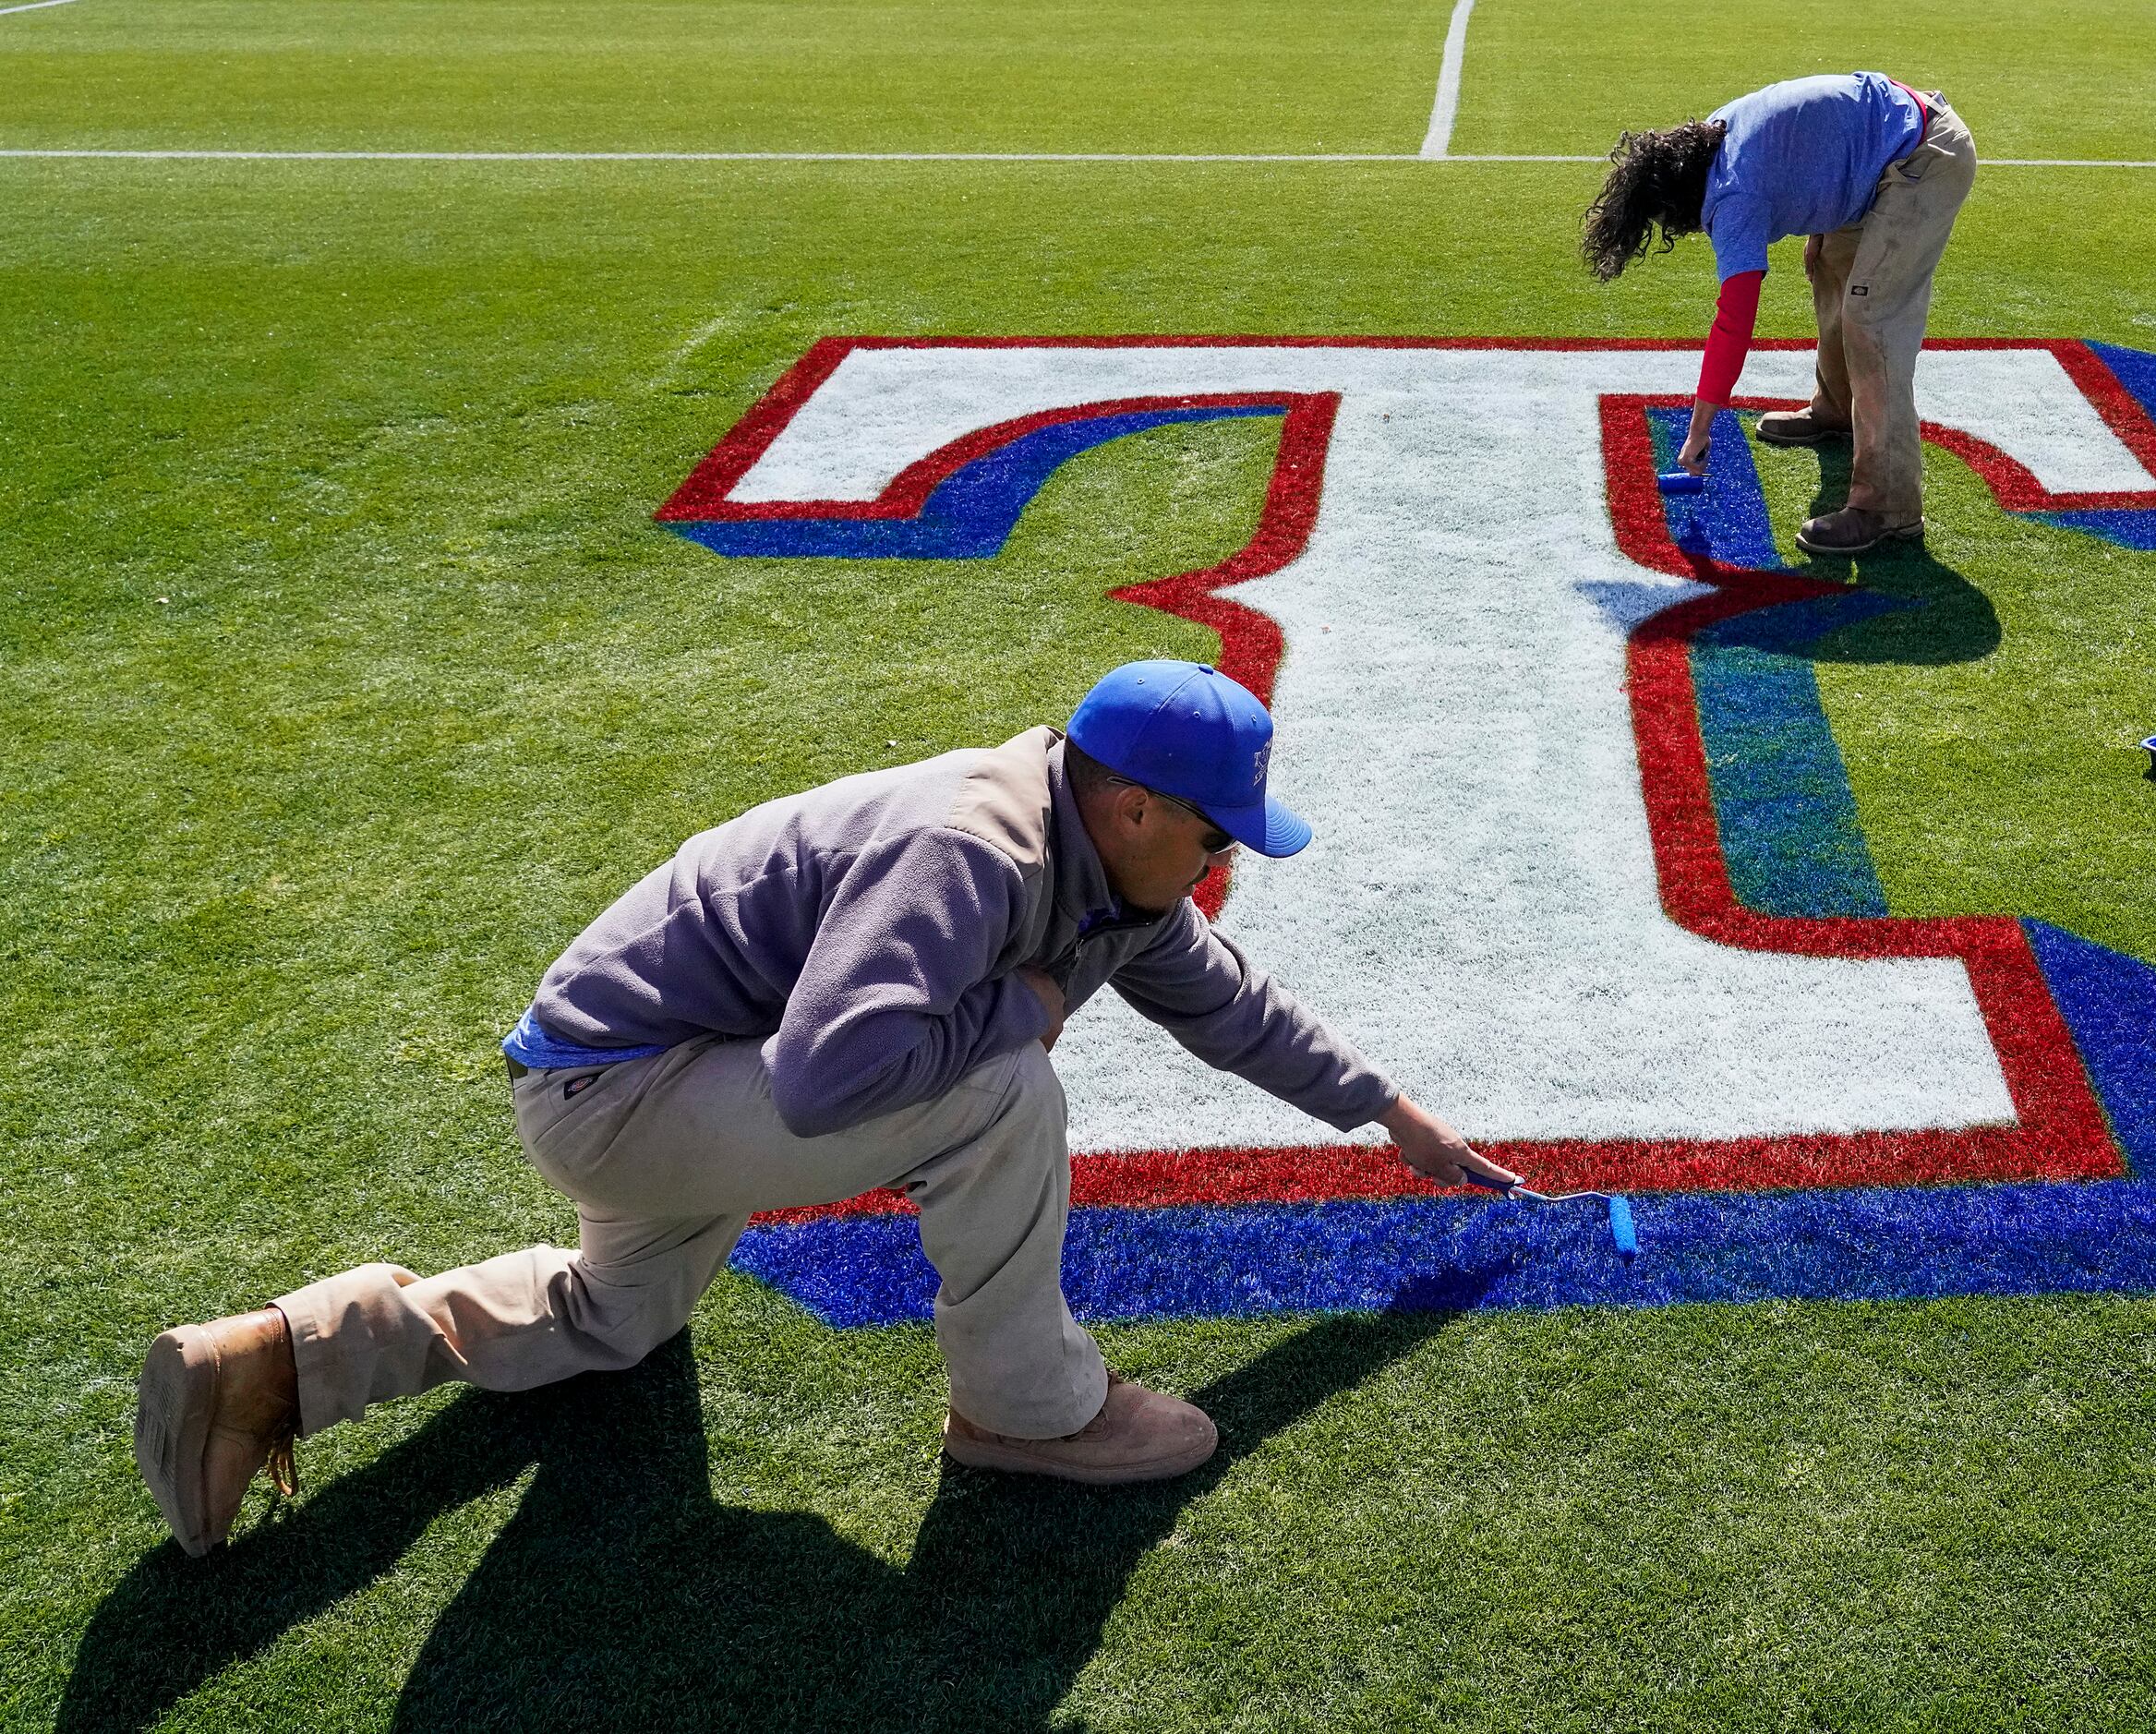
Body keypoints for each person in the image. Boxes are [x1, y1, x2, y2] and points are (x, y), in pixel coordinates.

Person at [136, 659, 1514, 1557]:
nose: (1225, 865)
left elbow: (1224, 1001)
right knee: (997, 1087)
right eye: (1216, 836)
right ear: (1139, 807)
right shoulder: (970, 842)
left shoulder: (1109, 867)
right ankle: (1025, 1410)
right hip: (622, 1086)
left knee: (614, 1321)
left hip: (660, 1086)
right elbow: (826, 1077)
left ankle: (280, 1358)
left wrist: (1387, 1113)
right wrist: (1016, 1014)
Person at [1583, 71, 1978, 556]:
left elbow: (1734, 322)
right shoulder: (1714, 136)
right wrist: (1823, 221)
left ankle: (1889, 508)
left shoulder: (1734, 196)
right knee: (1830, 267)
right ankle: (1836, 411)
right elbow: (1808, 146)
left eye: (1669, 224)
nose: (1682, 232)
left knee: (1872, 318)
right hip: (1883, 147)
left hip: (1921, 158)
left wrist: (1699, 432)